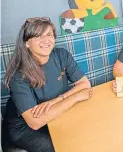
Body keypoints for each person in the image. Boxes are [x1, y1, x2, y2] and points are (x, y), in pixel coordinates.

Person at [3, 17, 93, 152]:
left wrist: (58, 100)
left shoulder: (62, 55)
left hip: (56, 111)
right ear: (26, 43)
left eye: (49, 34)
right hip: (24, 128)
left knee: (85, 132)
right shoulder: (19, 76)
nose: (46, 40)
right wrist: (74, 97)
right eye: (38, 36)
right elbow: (35, 122)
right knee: (59, 146)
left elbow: (84, 84)